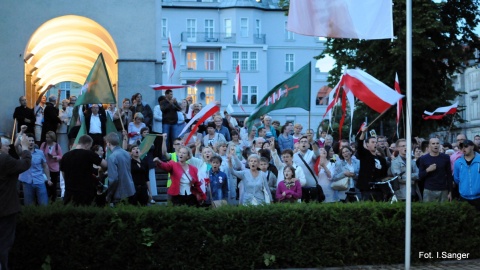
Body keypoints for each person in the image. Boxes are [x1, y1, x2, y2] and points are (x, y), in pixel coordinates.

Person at [0, 134, 31, 270]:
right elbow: (24, 164)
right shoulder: (3, 160)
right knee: (3, 245)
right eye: (5, 145)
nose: (7, 148)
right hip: (5, 209)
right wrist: (25, 149)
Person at [61, 135, 107, 206]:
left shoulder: (65, 156)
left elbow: (63, 173)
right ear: (87, 144)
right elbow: (105, 165)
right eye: (90, 146)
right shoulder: (89, 154)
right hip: (85, 194)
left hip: (69, 194)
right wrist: (101, 172)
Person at [14, 131, 51, 206]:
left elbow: (45, 166)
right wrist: (21, 132)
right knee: (29, 205)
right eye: (29, 141)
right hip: (27, 182)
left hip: (39, 180)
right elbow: (16, 145)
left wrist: (48, 179)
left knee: (44, 204)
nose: (31, 142)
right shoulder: (23, 153)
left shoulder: (40, 152)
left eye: (32, 141)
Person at [357, 126, 388, 201]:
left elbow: (384, 174)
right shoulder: (365, 155)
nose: (375, 144)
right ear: (367, 144)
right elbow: (360, 145)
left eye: (376, 142)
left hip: (378, 189)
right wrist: (363, 133)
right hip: (366, 189)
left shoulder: (382, 160)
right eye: (373, 142)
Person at [417, 137, 452, 202]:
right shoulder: (423, 159)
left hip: (443, 190)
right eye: (433, 143)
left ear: (439, 145)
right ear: (429, 146)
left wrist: (450, 191)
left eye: (437, 143)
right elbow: (420, 176)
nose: (435, 145)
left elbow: (449, 175)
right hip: (429, 190)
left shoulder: (446, 157)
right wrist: (428, 170)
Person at [105, 132, 136, 205]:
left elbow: (114, 179)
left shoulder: (112, 157)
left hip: (120, 194)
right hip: (131, 190)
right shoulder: (126, 153)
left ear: (108, 143)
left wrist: (109, 194)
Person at [453, 139, 480, 210]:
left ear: (472, 147)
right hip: (464, 197)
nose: (463, 148)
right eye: (461, 147)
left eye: (466, 146)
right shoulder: (458, 162)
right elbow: (456, 179)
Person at [293, 135, 320, 202]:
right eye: (301, 142)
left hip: (312, 186)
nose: (303, 143)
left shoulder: (311, 153)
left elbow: (317, 153)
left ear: (308, 145)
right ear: (299, 144)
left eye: (305, 142)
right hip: (300, 186)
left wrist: (312, 142)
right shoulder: (294, 156)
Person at [40, 131, 62, 202]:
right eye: (46, 137)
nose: (47, 139)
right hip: (45, 168)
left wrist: (55, 157)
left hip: (54, 168)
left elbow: (61, 156)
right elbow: (40, 154)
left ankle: (53, 200)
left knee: (53, 185)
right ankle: (45, 200)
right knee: (45, 185)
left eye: (48, 137)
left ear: (52, 138)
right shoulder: (44, 145)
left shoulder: (57, 146)